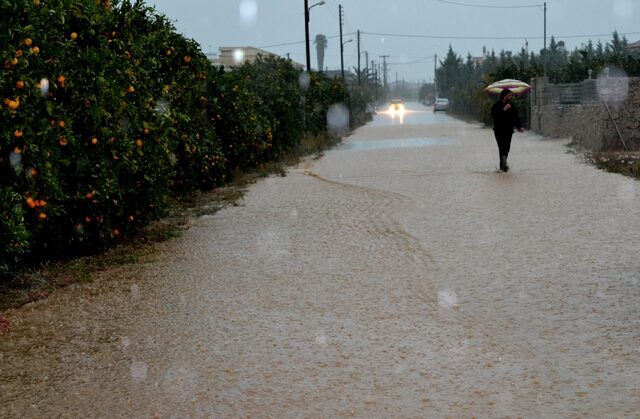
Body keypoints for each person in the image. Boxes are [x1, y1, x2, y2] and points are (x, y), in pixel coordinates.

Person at [491, 88, 524, 172]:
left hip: (509, 130)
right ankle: (504, 165)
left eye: (511, 95)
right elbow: (494, 115)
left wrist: (520, 127)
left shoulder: (512, 105)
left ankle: (503, 166)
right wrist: (504, 109)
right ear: (504, 96)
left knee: (507, 148)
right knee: (501, 147)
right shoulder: (497, 105)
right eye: (509, 95)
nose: (511, 97)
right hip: (499, 130)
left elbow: (516, 117)